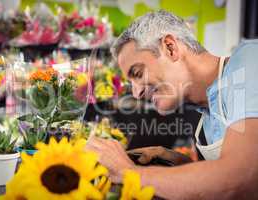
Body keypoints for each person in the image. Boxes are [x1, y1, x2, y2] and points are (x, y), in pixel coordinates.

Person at [86, 10, 258, 199]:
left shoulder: (250, 59)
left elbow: (239, 178)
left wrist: (126, 171)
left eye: (137, 73)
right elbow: (214, 184)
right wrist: (175, 161)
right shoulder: (204, 113)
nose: (136, 93)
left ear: (170, 48)